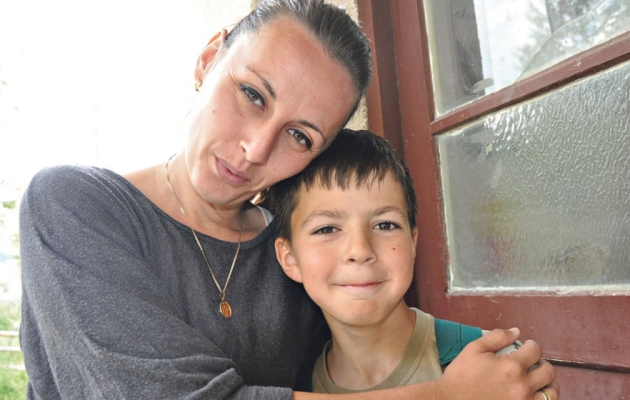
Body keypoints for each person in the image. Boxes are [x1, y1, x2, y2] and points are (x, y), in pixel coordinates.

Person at [19, 0, 557, 399]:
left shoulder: (300, 249)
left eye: (299, 136)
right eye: (252, 95)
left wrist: (496, 368)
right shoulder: (74, 206)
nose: (256, 149)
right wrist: (451, 396)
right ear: (209, 58)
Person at [270, 129, 558, 399]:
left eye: (385, 225)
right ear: (290, 259)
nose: (360, 250)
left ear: (412, 244)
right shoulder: (297, 386)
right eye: (327, 229)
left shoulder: (498, 369)